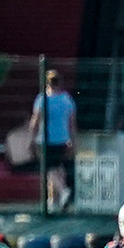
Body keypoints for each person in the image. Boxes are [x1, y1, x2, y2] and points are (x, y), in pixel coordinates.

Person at [31, 69, 78, 211]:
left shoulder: (42, 99)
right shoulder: (67, 100)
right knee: (58, 169)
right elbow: (72, 123)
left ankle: (63, 191)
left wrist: (31, 137)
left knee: (49, 169)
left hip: (45, 139)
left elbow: (36, 120)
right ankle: (53, 202)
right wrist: (73, 140)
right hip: (63, 139)